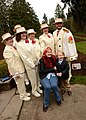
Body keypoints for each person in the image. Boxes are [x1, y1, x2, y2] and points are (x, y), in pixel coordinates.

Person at [2, 33, 31, 101]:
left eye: (11, 38)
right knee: (20, 84)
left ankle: (24, 93)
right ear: (5, 42)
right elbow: (11, 63)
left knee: (22, 83)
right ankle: (22, 96)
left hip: (20, 68)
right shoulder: (7, 50)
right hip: (17, 70)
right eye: (8, 39)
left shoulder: (12, 47)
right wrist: (16, 73)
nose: (10, 40)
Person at [53, 18, 78, 95]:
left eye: (60, 23)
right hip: (58, 55)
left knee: (67, 69)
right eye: (57, 24)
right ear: (55, 25)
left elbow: (70, 43)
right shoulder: (54, 33)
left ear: (62, 24)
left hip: (65, 54)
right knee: (59, 69)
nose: (58, 25)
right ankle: (62, 85)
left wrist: (69, 54)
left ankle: (68, 82)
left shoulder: (67, 32)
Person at [15, 27, 41, 97]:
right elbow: (24, 57)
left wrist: (37, 59)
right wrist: (32, 64)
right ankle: (34, 91)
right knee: (33, 79)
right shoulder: (19, 44)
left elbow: (34, 51)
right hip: (29, 65)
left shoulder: (28, 41)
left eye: (24, 33)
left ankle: (38, 88)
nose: (23, 34)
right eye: (21, 33)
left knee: (37, 77)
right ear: (19, 35)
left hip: (35, 62)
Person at [39, 47, 61, 112]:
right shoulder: (42, 60)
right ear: (45, 53)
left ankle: (58, 99)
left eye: (50, 52)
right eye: (48, 52)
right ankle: (46, 103)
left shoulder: (53, 58)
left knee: (54, 85)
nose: (49, 53)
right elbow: (42, 71)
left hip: (52, 75)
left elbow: (57, 67)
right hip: (44, 76)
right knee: (47, 87)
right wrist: (52, 69)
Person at [27, 29, 42, 93]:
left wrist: (39, 58)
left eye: (33, 34)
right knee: (33, 77)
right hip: (32, 62)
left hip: (38, 60)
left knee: (38, 75)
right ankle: (34, 90)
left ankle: (38, 87)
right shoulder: (26, 42)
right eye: (30, 34)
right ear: (28, 35)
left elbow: (39, 49)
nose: (32, 35)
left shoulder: (37, 40)